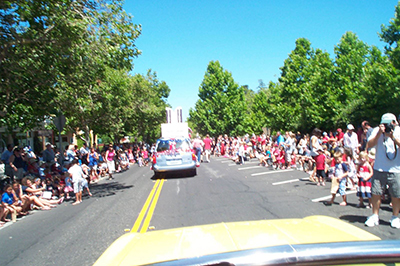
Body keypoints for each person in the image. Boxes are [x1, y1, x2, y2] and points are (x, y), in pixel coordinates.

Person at [365, 113, 400, 228]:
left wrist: (393, 137)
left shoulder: (398, 131)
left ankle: (395, 217)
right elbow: (369, 145)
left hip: (396, 169)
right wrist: (380, 133)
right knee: (376, 193)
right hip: (379, 167)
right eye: (384, 124)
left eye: (390, 124)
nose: (387, 126)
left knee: (396, 194)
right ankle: (375, 216)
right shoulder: (377, 131)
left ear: (395, 123)